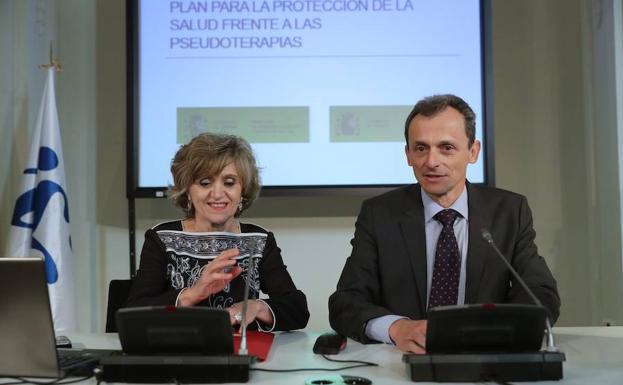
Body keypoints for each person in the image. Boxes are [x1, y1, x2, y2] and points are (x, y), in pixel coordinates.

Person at [328, 94, 560, 353]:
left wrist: (501, 330)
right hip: (403, 361)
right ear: (408, 155)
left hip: (484, 358)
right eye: (420, 148)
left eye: (446, 148)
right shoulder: (380, 214)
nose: (431, 162)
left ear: (473, 152)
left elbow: (540, 292)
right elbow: (345, 302)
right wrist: (397, 329)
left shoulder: (508, 212)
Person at [126, 133, 309, 332]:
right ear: (188, 190)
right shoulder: (161, 238)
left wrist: (256, 307)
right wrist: (194, 293)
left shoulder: (259, 241)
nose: (218, 194)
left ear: (243, 190)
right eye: (205, 183)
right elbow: (134, 312)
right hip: (179, 353)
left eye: (229, 182)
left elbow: (297, 310)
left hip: (240, 354)